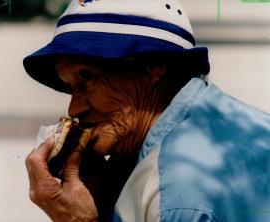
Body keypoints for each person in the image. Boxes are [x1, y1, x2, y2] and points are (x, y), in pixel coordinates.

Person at [23, 0, 270, 221]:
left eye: (87, 77)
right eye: (70, 87)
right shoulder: (243, 122)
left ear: (153, 65)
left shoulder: (173, 194)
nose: (74, 108)